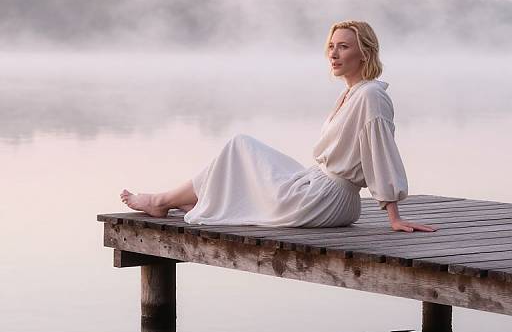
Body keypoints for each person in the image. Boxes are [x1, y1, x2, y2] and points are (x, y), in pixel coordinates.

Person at [121, 20, 436, 233]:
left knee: (241, 146)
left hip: (326, 200)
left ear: (364, 52)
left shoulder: (369, 96)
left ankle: (162, 201)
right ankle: (192, 200)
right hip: (324, 190)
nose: (334, 54)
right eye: (331, 46)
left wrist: (393, 215)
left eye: (344, 47)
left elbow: (381, 153)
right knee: (245, 153)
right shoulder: (351, 93)